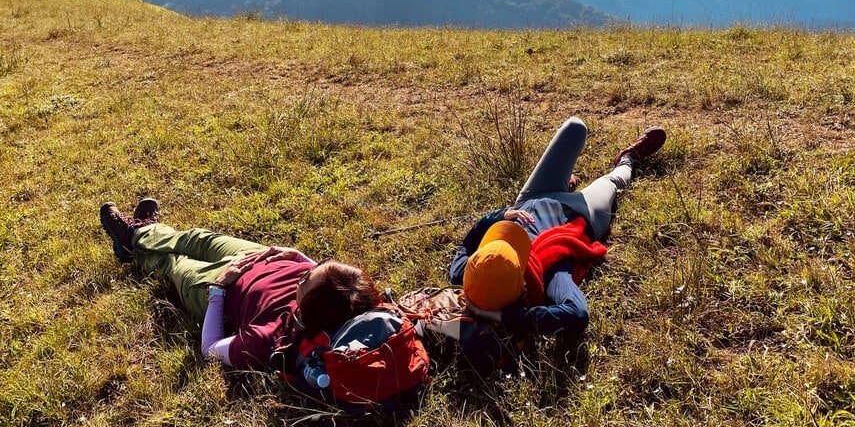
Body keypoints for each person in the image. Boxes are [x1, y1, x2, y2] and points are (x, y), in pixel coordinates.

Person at [99, 199, 381, 370]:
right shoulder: (344, 298)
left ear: (306, 307)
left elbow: (210, 349)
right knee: (198, 237)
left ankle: (133, 240)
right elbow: (323, 277)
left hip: (224, 287)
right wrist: (297, 257)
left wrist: (219, 290)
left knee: (174, 263)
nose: (307, 271)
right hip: (258, 256)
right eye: (318, 266)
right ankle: (142, 232)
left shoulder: (269, 339)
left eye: (306, 279)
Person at [449, 117, 666, 337]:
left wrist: (500, 216)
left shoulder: (468, 274)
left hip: (533, 196)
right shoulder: (551, 274)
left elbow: (467, 243)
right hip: (581, 213)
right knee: (612, 182)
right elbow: (577, 314)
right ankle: (627, 159)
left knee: (576, 127)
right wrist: (503, 317)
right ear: (521, 287)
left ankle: (565, 182)